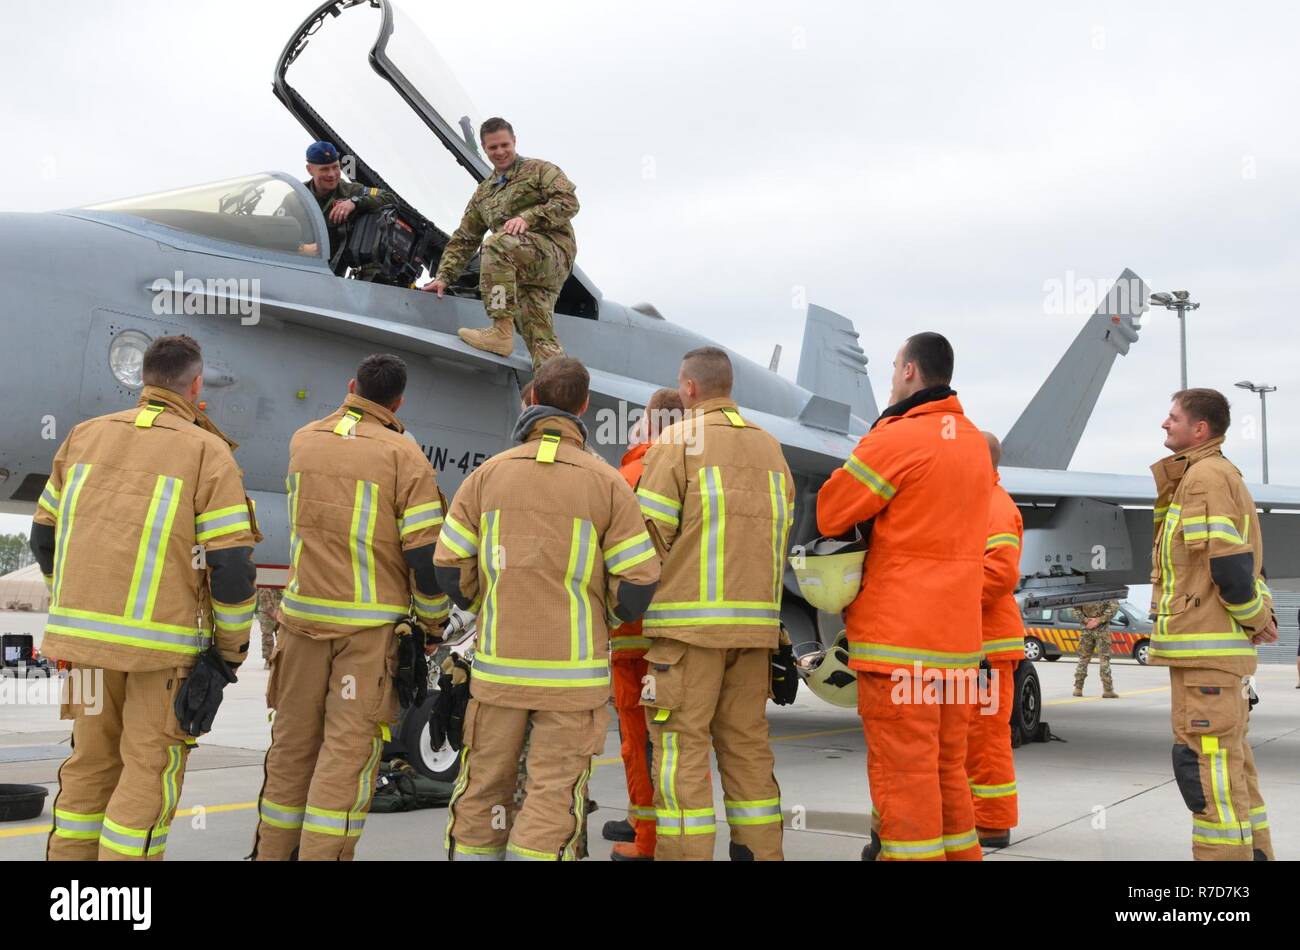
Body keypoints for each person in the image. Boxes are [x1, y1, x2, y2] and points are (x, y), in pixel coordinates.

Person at [31, 335, 258, 860]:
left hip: (83, 652)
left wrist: (68, 603)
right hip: (161, 655)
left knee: (87, 765)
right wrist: (228, 652)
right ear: (196, 385)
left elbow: (44, 537)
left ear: (143, 377)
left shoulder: (83, 437)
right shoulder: (207, 451)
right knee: (146, 772)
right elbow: (230, 568)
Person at [435, 357, 659, 860]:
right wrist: (603, 617)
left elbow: (447, 569)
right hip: (573, 680)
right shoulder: (608, 483)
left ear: (531, 400)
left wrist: (491, 604)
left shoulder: (486, 476)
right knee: (553, 796)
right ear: (583, 405)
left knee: (483, 790)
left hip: (497, 676)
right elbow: (640, 581)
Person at [251, 354, 449, 861]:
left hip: (299, 627)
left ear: (351, 386)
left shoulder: (303, 440)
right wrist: (432, 623)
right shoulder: (407, 458)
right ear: (398, 402)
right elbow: (424, 557)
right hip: (365, 636)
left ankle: (273, 853)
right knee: (346, 757)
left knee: (292, 748)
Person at [817, 332, 992, 862]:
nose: (892, 377)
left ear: (911, 371)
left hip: (899, 644)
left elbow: (831, 512)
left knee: (904, 774)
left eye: (894, 367)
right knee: (946, 769)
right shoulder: (972, 443)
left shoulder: (896, 437)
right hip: (958, 644)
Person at [635, 347, 794, 861]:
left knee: (680, 757)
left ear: (689, 389)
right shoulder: (772, 448)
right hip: (754, 638)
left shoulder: (677, 441)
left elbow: (646, 542)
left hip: (687, 638)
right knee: (748, 751)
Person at [1151, 389, 1277, 861]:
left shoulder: (1203, 477)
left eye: (1174, 417)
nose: (1165, 424)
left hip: (1205, 657)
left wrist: (1256, 618)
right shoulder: (1208, 475)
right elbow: (1243, 564)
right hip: (1210, 657)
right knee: (1233, 769)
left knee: (1207, 773)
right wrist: (1258, 618)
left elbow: (1229, 567)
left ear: (1199, 429)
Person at [422, 118, 579, 370]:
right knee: (539, 336)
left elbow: (569, 202)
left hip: (552, 253)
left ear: (514, 141)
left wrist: (528, 218)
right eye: (493, 148)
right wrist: (444, 276)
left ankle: (500, 331)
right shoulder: (484, 193)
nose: (500, 152)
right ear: (484, 148)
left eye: (505, 145)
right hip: (518, 270)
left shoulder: (540, 170)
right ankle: (555, 394)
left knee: (494, 245)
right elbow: (465, 238)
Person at [607, 388, 684, 861]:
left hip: (633, 634)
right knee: (678, 741)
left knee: (641, 741)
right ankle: (644, 820)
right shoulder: (694, 471)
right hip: (681, 635)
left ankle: (647, 840)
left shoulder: (630, 475)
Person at [965, 433, 1024, 850]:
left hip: (989, 645)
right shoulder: (976, 500)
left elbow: (1000, 574)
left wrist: (947, 598)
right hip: (976, 643)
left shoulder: (993, 505)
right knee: (971, 736)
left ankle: (992, 823)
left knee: (985, 737)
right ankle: (976, 815)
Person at [295, 141, 397, 272]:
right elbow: (272, 234)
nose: (332, 174)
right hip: (295, 270)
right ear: (310, 170)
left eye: (335, 167)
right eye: (324, 169)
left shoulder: (351, 192)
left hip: (331, 277)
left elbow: (390, 199)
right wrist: (301, 249)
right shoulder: (297, 197)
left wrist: (355, 202)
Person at [1073, 601, 1120, 698]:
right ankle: (1108, 690)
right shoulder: (1106, 589)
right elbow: (1114, 607)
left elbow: (1075, 608)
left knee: (1083, 658)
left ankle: (1078, 688)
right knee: (1104, 659)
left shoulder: (1082, 589)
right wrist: (1099, 620)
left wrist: (1086, 620)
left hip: (1087, 629)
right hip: (1102, 630)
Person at [258, 588, 282, 670]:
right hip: (266, 613)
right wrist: (272, 611)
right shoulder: (266, 579)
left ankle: (281, 659)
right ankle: (268, 660)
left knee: (283, 637)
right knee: (267, 637)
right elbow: (264, 598)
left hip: (281, 611)